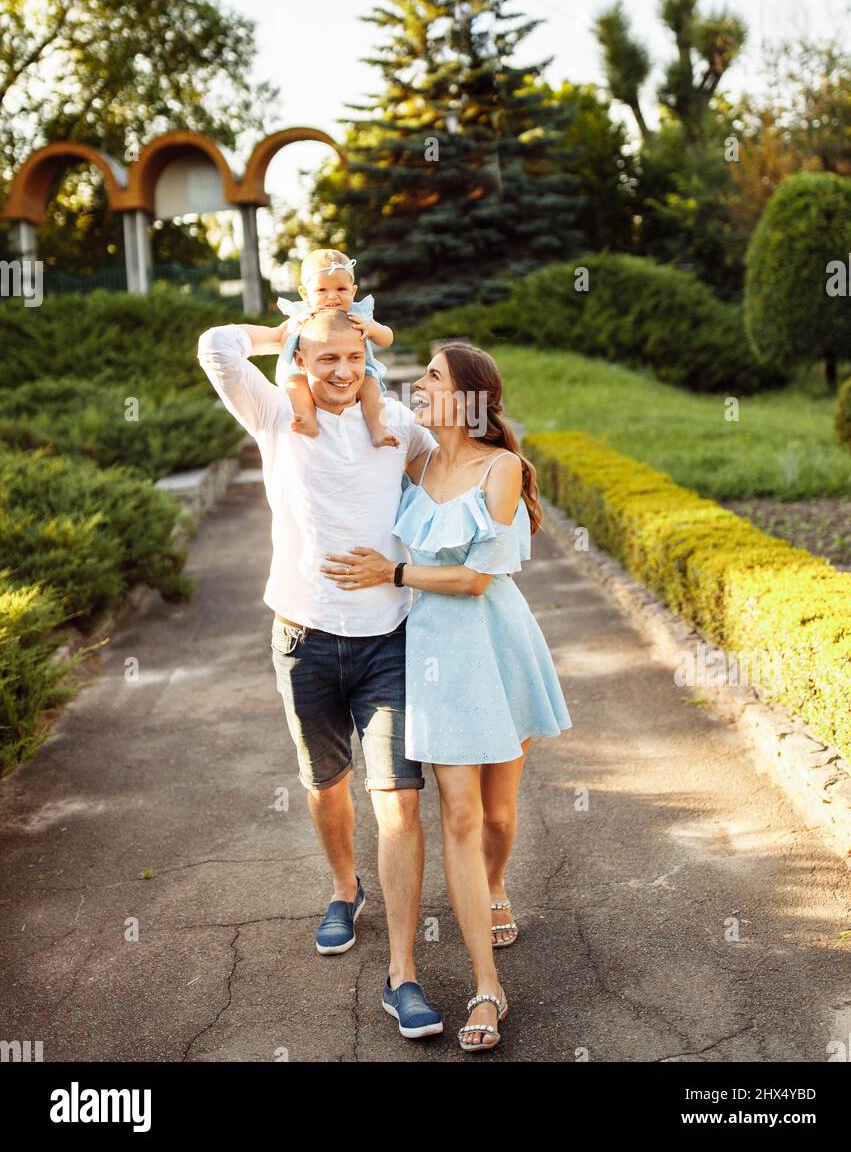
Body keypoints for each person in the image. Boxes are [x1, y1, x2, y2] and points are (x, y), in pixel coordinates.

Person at [196, 305, 445, 1040]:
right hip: (303, 639)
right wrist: (284, 334)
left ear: (367, 356)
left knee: (398, 803)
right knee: (324, 785)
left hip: (387, 641)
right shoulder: (276, 416)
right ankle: (345, 889)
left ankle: (403, 975)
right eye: (324, 359)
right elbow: (215, 347)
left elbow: (457, 465)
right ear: (304, 362)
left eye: (352, 358)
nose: (341, 372)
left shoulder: (396, 422)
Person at [322, 341, 573, 1052]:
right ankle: (486, 987)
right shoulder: (416, 459)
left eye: (431, 374)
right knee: (459, 813)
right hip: (430, 658)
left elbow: (475, 580)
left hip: (495, 648)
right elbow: (359, 393)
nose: (419, 383)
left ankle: (496, 885)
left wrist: (394, 573)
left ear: (467, 395)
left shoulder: (503, 470)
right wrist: (341, 333)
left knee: (496, 813)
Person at [275, 248, 396, 447]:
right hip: (306, 371)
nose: (332, 297)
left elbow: (387, 338)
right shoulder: (302, 314)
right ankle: (307, 420)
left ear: (353, 291)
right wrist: (295, 325)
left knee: (371, 386)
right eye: (322, 290)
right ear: (305, 293)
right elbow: (283, 341)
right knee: (296, 385)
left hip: (358, 372)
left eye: (341, 289)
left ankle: (378, 430)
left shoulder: (358, 313)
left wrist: (372, 328)